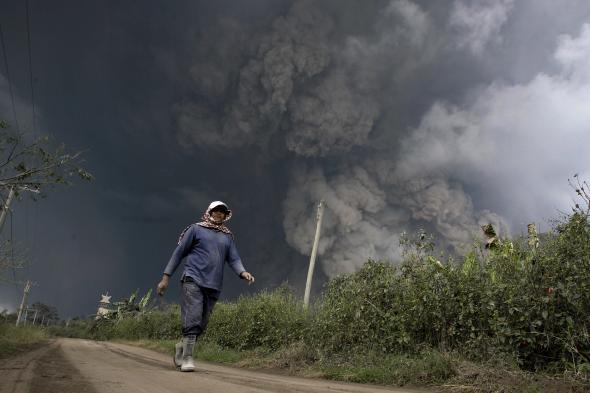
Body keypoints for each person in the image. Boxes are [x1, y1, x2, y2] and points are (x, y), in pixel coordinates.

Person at [156, 201, 255, 372]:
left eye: (222, 212)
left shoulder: (227, 236)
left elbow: (234, 259)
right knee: (193, 317)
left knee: (202, 323)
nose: (219, 214)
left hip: (214, 285)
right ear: (209, 212)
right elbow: (179, 253)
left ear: (226, 215)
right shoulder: (196, 229)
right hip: (193, 279)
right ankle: (187, 358)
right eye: (216, 211)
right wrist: (166, 278)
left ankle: (182, 346)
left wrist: (243, 272)